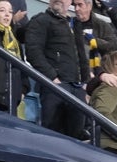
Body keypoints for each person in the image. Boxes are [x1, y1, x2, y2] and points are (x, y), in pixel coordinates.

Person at [25, 0, 90, 140]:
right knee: (51, 136)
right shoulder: (41, 20)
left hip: (77, 88)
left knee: (77, 139)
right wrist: (53, 78)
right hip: (54, 87)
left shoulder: (74, 23)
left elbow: (81, 56)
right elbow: (33, 52)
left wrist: (86, 82)